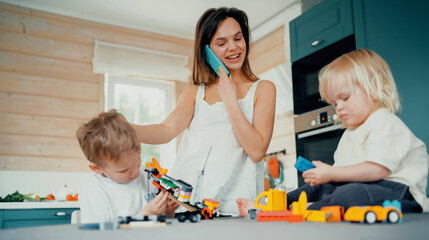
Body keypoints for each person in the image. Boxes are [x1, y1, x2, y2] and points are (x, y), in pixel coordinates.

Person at [237, 49, 429, 216]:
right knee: (316, 188)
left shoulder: (383, 121)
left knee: (349, 195)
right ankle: (274, 206)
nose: (339, 108)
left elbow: (377, 170)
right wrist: (325, 176)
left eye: (344, 98)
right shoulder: (351, 133)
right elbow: (341, 177)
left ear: (374, 89)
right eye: (334, 103)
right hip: (360, 188)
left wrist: (331, 173)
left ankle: (309, 208)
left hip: (400, 193)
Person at [131, 7, 276, 216]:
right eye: (222, 43)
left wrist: (230, 100)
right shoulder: (195, 92)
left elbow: (256, 151)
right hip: (185, 205)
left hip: (234, 208)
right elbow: (166, 130)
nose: (233, 48)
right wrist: (125, 129)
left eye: (238, 38)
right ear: (207, 51)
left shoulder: (263, 89)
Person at [76, 110, 179, 223]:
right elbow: (99, 235)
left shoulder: (146, 176)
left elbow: (163, 223)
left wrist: (168, 210)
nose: (135, 172)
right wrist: (144, 216)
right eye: (124, 170)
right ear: (97, 168)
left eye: (138, 161)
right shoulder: (94, 191)